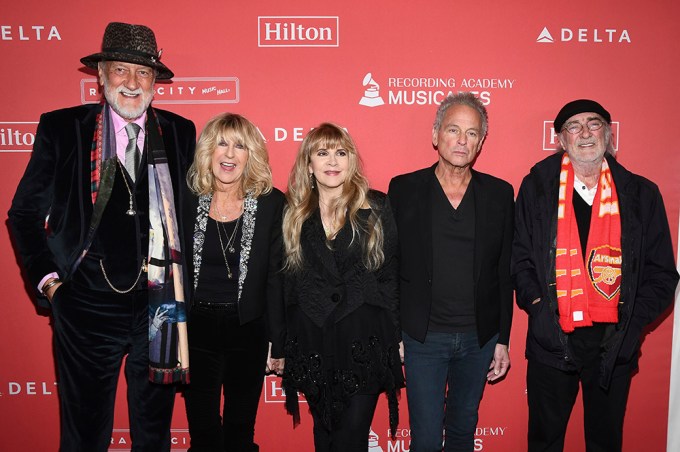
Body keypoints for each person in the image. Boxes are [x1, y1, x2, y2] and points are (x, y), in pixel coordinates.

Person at [7, 22, 196, 451]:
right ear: (101, 75)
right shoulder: (63, 128)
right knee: (85, 436)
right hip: (86, 307)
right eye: (121, 70)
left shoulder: (180, 131)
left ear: (155, 82)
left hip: (159, 308)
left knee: (153, 436)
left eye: (143, 73)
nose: (132, 83)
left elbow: (192, 213)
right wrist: (51, 285)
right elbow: (23, 214)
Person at [512, 99, 679, 451]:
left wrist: (633, 324)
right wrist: (539, 307)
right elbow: (519, 257)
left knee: (605, 443)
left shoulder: (641, 195)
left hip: (613, 343)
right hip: (552, 340)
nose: (585, 133)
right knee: (544, 441)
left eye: (594, 123)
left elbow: (662, 274)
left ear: (609, 132)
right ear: (560, 139)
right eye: (574, 125)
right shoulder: (537, 189)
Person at [388, 92, 514, 451]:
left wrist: (502, 338)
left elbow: (504, 273)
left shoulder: (500, 194)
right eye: (453, 130)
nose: (462, 140)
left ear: (481, 142)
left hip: (479, 338)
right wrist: (393, 329)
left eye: (472, 133)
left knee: (461, 432)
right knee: (426, 440)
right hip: (422, 338)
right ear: (435, 135)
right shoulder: (404, 188)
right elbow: (389, 266)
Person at [281, 123, 403, 451]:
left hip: (364, 340)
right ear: (309, 164)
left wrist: (397, 336)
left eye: (340, 153)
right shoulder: (293, 212)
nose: (332, 161)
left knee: (351, 437)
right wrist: (278, 341)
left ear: (351, 161)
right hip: (312, 340)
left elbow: (389, 275)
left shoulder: (376, 206)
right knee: (324, 435)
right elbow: (287, 283)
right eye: (322, 153)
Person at [182, 113, 285, 451]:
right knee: (204, 431)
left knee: (240, 431)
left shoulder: (272, 203)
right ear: (207, 150)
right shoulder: (186, 199)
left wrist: (278, 342)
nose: (229, 154)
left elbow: (275, 278)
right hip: (195, 329)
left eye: (239, 146)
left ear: (250, 154)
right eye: (221, 143)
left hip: (248, 329)